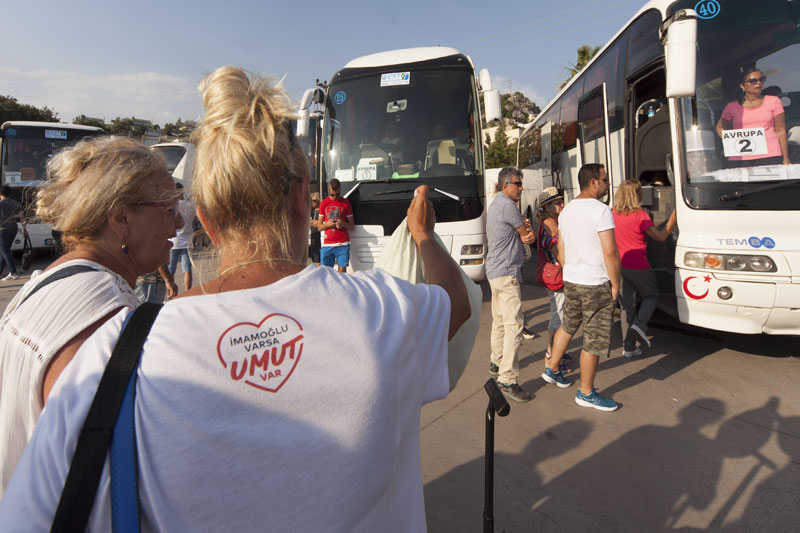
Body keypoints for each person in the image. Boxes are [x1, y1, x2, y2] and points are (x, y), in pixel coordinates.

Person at [0, 66, 471, 530]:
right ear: (301, 197)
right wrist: (422, 236)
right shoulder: (383, 307)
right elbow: (456, 301)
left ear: (205, 219)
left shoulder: (113, 356)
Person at [0, 136, 182, 498]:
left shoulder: (43, 282)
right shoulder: (108, 319)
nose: (178, 221)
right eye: (167, 207)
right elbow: (108, 485)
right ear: (120, 218)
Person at [542, 163, 621, 412]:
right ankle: (586, 392)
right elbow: (610, 251)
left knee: (569, 325)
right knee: (594, 339)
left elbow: (562, 249)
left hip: (572, 279)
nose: (607, 185)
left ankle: (552, 368)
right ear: (594, 182)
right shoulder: (601, 210)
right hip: (595, 282)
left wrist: (569, 269)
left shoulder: (566, 211)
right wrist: (615, 283)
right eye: (605, 180)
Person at [486, 166, 536, 402]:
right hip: (507, 272)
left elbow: (519, 232)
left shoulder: (496, 204)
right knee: (515, 325)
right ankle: (507, 379)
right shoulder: (508, 205)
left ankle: (496, 362)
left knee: (499, 322)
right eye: (517, 183)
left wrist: (522, 230)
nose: (521, 188)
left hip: (495, 271)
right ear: (505, 185)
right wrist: (527, 232)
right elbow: (527, 235)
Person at [612, 179, 676, 357]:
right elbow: (661, 237)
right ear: (636, 195)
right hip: (639, 266)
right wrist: (673, 218)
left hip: (620, 266)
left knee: (627, 307)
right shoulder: (640, 215)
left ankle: (629, 348)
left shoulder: (612, 213)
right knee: (652, 296)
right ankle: (640, 326)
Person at [716, 68, 790, 167]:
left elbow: (780, 130)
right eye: (753, 81)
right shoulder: (732, 107)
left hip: (770, 154)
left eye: (761, 79)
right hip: (740, 156)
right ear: (742, 86)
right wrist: (731, 140)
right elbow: (720, 127)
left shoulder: (774, 101)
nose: (758, 83)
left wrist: (785, 157)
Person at [534, 186, 569, 371]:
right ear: (546, 206)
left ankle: (557, 351)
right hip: (556, 276)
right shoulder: (551, 223)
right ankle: (551, 356)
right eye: (557, 202)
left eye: (561, 201)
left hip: (550, 274)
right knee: (559, 317)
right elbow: (558, 252)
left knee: (560, 314)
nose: (561, 204)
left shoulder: (548, 221)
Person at [165, 182, 196, 296]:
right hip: (187, 239)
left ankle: (170, 293)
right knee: (187, 269)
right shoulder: (190, 205)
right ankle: (187, 292)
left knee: (171, 269)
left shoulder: (173, 206)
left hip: (174, 240)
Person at [317, 177, 354, 272]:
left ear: (340, 189)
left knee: (342, 274)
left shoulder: (346, 203)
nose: (335, 197)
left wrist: (343, 224)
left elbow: (352, 226)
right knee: (325, 273)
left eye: (337, 195)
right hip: (327, 244)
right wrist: (328, 224)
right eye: (332, 195)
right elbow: (319, 227)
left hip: (343, 243)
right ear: (329, 189)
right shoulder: (323, 203)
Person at [0, 186, 27, 280]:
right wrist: (25, 229)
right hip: (13, 228)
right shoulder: (15, 203)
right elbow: (21, 217)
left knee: (4, 250)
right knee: (5, 250)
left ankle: (13, 272)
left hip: (2, 229)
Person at [308, 192, 321, 265]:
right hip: (313, 236)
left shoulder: (321, 211)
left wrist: (317, 222)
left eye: (314, 200)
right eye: (311, 200)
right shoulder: (313, 212)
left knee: (319, 258)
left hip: (319, 236)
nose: (312, 202)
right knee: (315, 258)